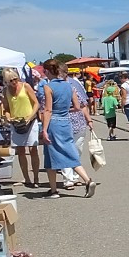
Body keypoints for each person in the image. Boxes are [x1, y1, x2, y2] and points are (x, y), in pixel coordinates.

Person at [38, 59, 96, 199]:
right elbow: (77, 107)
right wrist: (65, 110)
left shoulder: (48, 86)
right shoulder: (69, 86)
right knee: (69, 151)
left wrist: (44, 129)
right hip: (66, 123)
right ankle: (86, 180)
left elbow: (48, 110)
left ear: (47, 71)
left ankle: (55, 190)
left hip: (54, 123)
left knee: (51, 155)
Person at [2, 67, 41, 188]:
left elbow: (36, 103)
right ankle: (27, 178)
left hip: (30, 120)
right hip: (16, 122)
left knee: (33, 149)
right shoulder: (5, 91)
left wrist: (31, 116)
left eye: (15, 79)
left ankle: (36, 177)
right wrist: (7, 117)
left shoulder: (26, 86)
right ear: (6, 81)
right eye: (11, 80)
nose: (14, 82)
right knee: (20, 150)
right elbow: (6, 109)